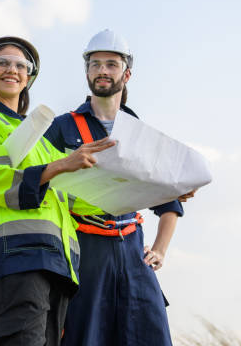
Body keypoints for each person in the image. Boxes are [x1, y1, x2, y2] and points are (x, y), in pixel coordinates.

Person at [0, 36, 115, 346]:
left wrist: (157, 194)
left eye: (21, 65)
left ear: (29, 77)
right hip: (19, 253)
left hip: (57, 263)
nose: (12, 70)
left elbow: (79, 198)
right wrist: (59, 166)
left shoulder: (42, 142)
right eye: (1, 62)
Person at [44, 29, 196, 346]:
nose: (102, 70)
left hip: (132, 250)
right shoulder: (62, 127)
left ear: (126, 73)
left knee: (150, 335)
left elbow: (169, 197)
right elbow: (40, 179)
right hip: (85, 251)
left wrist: (160, 249)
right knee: (85, 337)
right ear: (86, 71)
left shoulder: (137, 130)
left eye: (111, 64)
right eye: (96, 63)